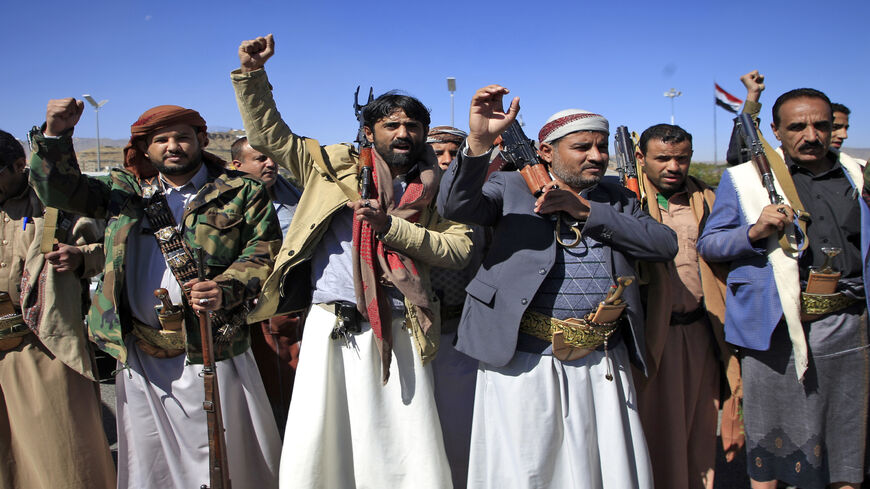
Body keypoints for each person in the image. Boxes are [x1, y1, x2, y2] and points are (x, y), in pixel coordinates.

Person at [232, 34, 473, 488]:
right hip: (333, 326)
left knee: (404, 443)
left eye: (413, 126)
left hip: (402, 327)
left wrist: (391, 227)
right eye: (392, 125)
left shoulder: (435, 187)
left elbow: (458, 248)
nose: (404, 133)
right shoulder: (329, 166)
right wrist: (252, 76)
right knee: (326, 444)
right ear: (370, 132)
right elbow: (269, 135)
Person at [28, 99, 283, 489]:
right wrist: (55, 135)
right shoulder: (123, 192)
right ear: (146, 149)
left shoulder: (240, 191)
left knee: (227, 452)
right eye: (160, 139)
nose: (173, 146)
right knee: (153, 457)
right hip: (141, 349)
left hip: (212, 344)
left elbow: (265, 250)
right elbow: (58, 190)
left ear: (200, 140)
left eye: (182, 137)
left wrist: (225, 287)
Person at [438, 84, 678, 489]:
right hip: (524, 358)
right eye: (583, 147)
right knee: (527, 469)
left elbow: (662, 244)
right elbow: (455, 206)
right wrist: (478, 141)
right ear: (546, 151)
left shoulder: (616, 198)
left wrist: (582, 209)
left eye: (602, 147)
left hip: (601, 358)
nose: (597, 156)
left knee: (601, 467)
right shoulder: (510, 186)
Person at [698, 88, 869, 489]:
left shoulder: (857, 174)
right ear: (776, 130)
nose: (811, 135)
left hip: (849, 327)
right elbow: (710, 243)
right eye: (797, 127)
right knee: (773, 449)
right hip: (774, 332)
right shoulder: (744, 180)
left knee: (847, 446)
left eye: (821, 125)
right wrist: (755, 231)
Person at [0, 129, 115, 489]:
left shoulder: (56, 204)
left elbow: (112, 248)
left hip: (44, 342)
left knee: (62, 451)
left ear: (20, 165)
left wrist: (81, 257)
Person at [632, 124, 741, 489]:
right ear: (641, 159)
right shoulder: (626, 202)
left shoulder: (709, 200)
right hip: (650, 338)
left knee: (697, 431)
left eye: (682, 158)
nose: (673, 166)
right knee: (650, 434)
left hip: (700, 334)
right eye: (662, 158)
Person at [230, 135, 303, 433]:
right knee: (271, 381)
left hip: (294, 303)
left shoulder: (290, 193)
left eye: (272, 156)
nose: (270, 163)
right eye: (260, 159)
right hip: (254, 307)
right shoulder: (227, 200)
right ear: (237, 165)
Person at [427, 125, 481, 488]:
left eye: (454, 152)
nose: (446, 160)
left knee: (462, 426)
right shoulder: (406, 198)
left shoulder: (479, 200)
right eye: (438, 153)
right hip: (416, 334)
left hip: (464, 334)